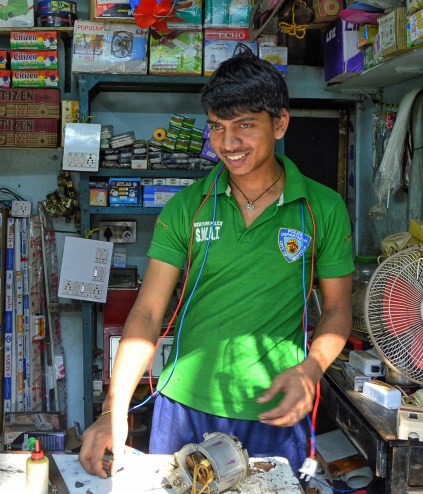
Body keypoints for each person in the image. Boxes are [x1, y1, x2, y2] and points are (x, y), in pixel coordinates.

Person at [78, 52, 354, 478]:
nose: (228, 143)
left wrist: (311, 369)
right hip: (184, 406)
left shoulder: (322, 208)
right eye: (217, 127)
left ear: (280, 123)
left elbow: (338, 309)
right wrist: (113, 408)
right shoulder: (187, 207)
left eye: (245, 125)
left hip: (274, 408)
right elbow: (147, 313)